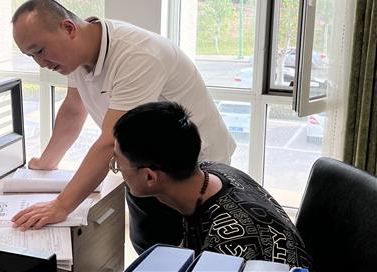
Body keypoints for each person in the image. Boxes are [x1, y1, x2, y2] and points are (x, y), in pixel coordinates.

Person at [10, 0, 236, 253]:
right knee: (148, 247)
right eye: (31, 56)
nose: (41, 64)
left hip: (191, 168)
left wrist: (61, 206)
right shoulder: (76, 56)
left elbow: (110, 141)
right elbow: (73, 109)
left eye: (40, 50)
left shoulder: (136, 55)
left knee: (180, 252)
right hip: (143, 163)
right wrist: (47, 162)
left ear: (69, 28)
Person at [111, 101, 313, 269]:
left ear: (150, 177)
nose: (117, 169)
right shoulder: (211, 172)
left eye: (118, 163)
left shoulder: (227, 248)